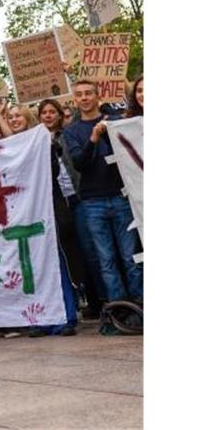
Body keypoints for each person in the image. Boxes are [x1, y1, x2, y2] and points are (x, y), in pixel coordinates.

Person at [63, 80, 143, 331]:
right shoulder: (72, 131)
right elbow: (79, 163)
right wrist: (94, 138)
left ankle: (140, 306)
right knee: (106, 260)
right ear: (74, 100)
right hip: (92, 201)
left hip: (120, 196)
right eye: (79, 95)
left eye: (89, 93)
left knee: (130, 258)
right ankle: (119, 312)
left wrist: (110, 130)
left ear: (97, 96)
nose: (85, 98)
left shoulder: (116, 120)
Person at [29, 98, 83, 337]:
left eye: (53, 112)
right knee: (35, 266)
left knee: (60, 262)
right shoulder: (23, 143)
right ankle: (41, 318)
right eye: (44, 113)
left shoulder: (51, 143)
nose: (48, 116)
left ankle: (66, 316)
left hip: (54, 206)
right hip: (29, 214)